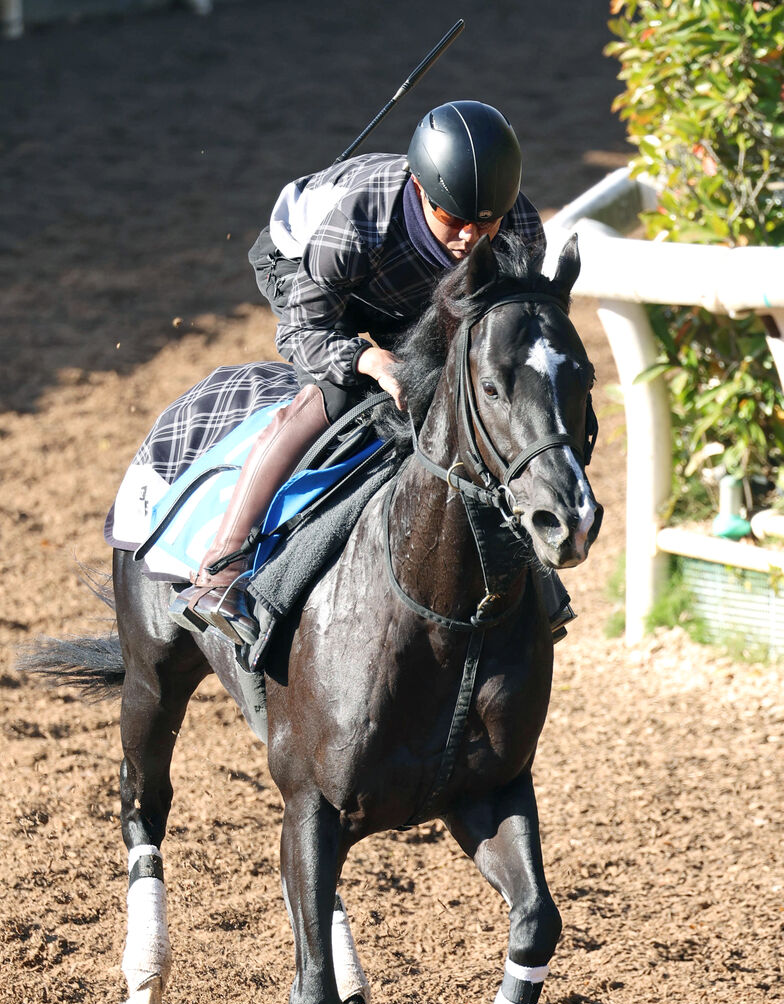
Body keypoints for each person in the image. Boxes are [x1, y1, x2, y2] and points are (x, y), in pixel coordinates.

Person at [174, 100, 547, 645]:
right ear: (421, 190)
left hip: (410, 294)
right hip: (308, 272)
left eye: (485, 221)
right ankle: (221, 569)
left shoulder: (519, 229)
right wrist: (367, 360)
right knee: (335, 395)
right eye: (453, 220)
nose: (471, 239)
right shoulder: (360, 218)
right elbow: (300, 332)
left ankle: (536, 582)